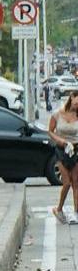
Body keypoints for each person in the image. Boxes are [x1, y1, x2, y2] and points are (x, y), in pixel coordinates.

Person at [48, 90, 78, 224]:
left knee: (76, 183)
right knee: (66, 183)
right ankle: (59, 209)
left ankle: (76, 213)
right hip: (61, 150)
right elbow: (50, 131)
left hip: (76, 150)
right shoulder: (57, 114)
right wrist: (61, 141)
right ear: (72, 97)